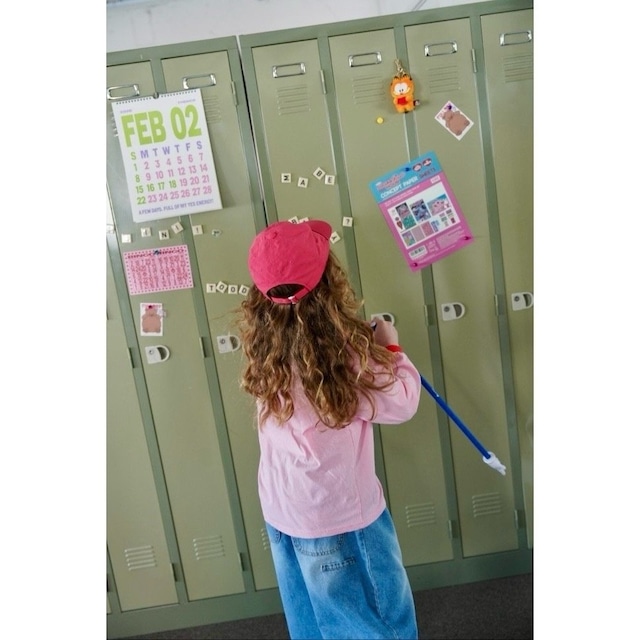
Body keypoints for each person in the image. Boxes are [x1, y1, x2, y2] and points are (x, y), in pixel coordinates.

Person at [237, 218, 421, 639]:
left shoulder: (264, 347)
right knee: (379, 622)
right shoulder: (346, 355)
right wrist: (391, 348)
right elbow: (402, 402)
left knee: (313, 623)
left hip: (284, 509)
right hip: (340, 516)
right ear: (327, 284)